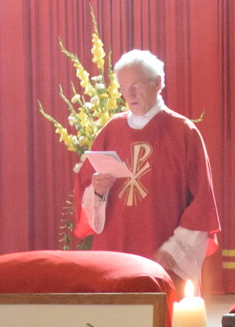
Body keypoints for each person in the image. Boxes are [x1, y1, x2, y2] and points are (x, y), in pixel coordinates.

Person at [72, 50, 220, 285]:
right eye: (123, 88)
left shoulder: (183, 132)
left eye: (135, 86)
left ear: (158, 83)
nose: (129, 94)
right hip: (115, 252)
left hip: (161, 253)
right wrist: (97, 191)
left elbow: (202, 202)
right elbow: (85, 189)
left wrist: (174, 250)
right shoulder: (111, 130)